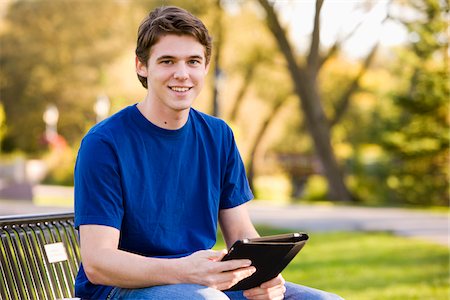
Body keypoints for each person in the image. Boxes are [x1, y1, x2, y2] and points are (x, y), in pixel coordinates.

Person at [74, 5, 343, 300]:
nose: (182, 74)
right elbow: (99, 263)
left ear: (205, 67)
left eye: (193, 61)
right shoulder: (105, 143)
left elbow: (241, 231)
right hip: (123, 289)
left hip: (206, 282)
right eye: (167, 61)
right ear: (141, 65)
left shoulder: (218, 135)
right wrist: (185, 271)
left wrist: (265, 277)